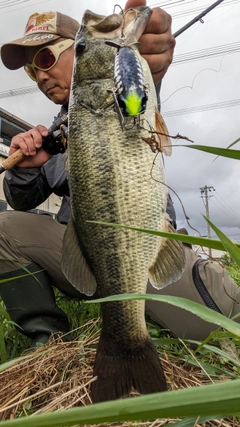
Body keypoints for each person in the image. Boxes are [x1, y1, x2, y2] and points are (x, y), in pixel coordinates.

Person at [0, 1, 239, 349]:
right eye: (30, 70)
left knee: (225, 324)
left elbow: (144, 84)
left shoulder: (126, 91)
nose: (39, 76)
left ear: (79, 52)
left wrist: (150, 62)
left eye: (46, 59)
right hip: (87, 256)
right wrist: (26, 168)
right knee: (4, 229)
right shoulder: (54, 132)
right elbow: (21, 201)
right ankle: (48, 342)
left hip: (142, 253)